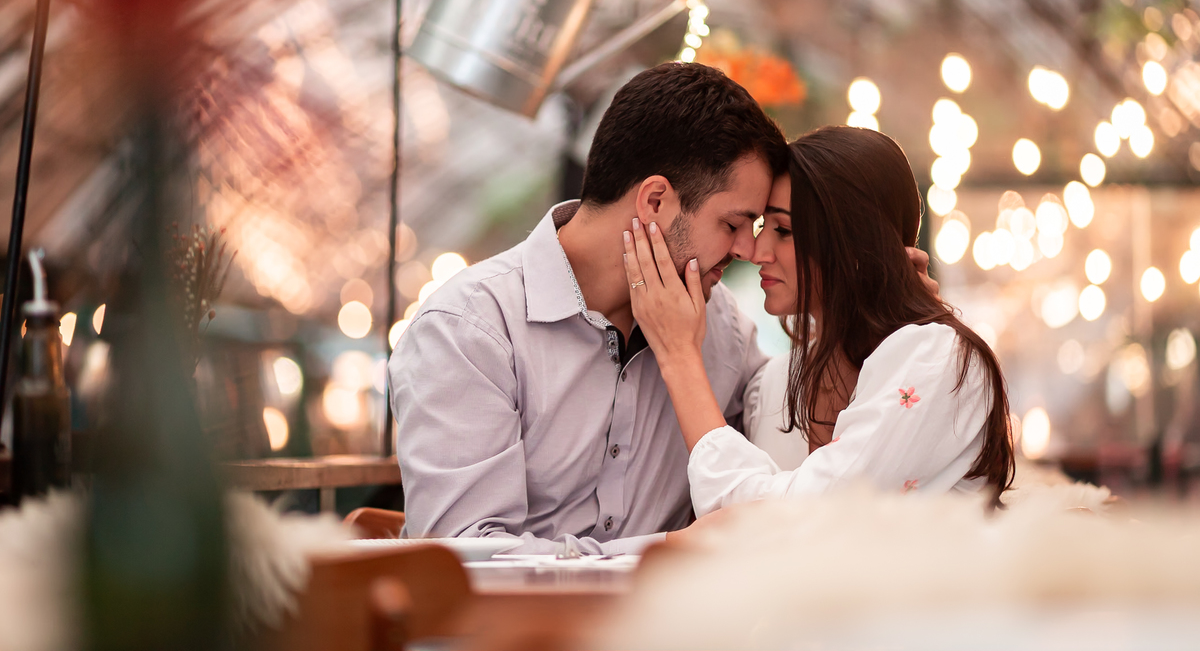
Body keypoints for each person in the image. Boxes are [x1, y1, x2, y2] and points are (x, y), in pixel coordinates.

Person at [389, 62, 787, 555]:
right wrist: (662, 551)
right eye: (732, 224)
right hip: (514, 633)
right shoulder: (469, 331)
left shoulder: (723, 330)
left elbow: (794, 461)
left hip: (674, 630)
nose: (747, 251)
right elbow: (468, 563)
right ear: (655, 201)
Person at [621, 125, 1014, 518]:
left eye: (784, 230)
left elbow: (796, 521)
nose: (756, 251)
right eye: (761, 228)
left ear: (856, 242)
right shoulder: (772, 385)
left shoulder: (937, 359)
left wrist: (679, 356)